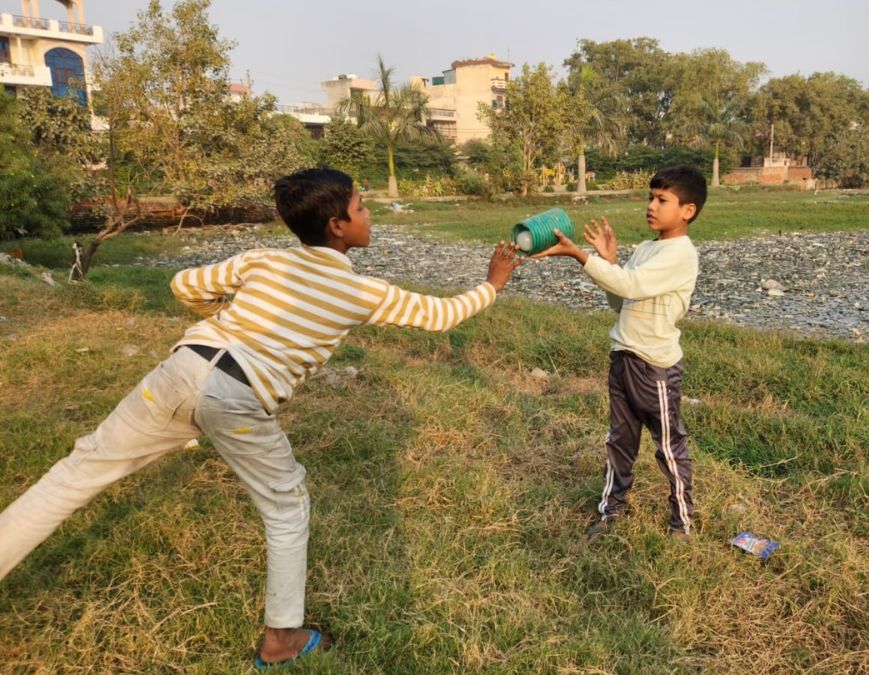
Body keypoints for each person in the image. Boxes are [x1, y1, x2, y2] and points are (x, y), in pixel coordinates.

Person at [0, 168, 524, 667]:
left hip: (182, 368)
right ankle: (281, 640)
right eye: (362, 208)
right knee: (286, 504)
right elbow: (441, 316)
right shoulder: (360, 292)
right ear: (337, 226)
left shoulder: (263, 261)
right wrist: (494, 283)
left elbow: (184, 285)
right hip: (236, 397)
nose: (370, 216)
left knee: (75, 473)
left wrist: (226, 323)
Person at [534, 165, 705, 540]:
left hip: (655, 368)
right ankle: (612, 510)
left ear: (687, 211)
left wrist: (580, 256)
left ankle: (682, 522)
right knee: (619, 441)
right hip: (623, 358)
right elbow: (621, 300)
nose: (651, 206)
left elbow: (631, 286)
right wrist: (609, 263)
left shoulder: (681, 254)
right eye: (650, 197)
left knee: (669, 447)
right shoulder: (648, 248)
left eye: (662, 200)